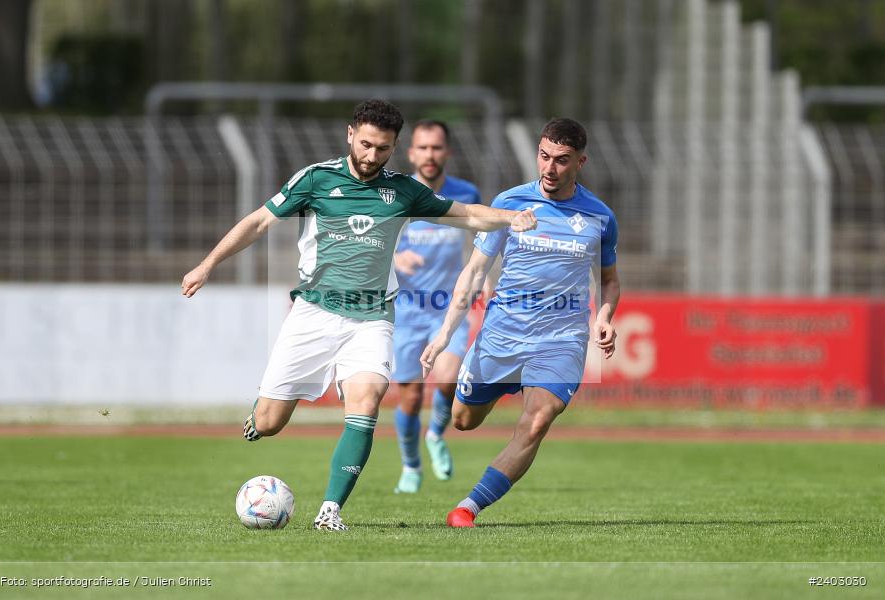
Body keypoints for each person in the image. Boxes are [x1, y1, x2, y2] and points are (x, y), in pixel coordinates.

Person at [181, 100, 536, 532]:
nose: (371, 155)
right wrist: (207, 265)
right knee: (270, 423)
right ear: (350, 134)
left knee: (367, 401)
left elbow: (464, 214)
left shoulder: (403, 191)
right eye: (365, 144)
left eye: (382, 148)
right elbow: (258, 222)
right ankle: (261, 411)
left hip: (372, 318)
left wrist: (511, 218)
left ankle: (330, 511)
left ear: (395, 147)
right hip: (313, 314)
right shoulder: (315, 179)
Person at [419, 117, 621, 528]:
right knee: (463, 420)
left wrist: (604, 316)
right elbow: (475, 271)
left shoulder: (600, 216)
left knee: (537, 421)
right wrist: (444, 336)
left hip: (561, 340)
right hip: (502, 336)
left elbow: (610, 280)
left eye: (561, 160)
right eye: (544, 156)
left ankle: (467, 508)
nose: (550, 168)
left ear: (580, 162)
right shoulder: (510, 203)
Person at [391, 120, 482, 494]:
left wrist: (486, 274)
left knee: (448, 378)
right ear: (412, 153)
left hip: (448, 309)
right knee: (411, 398)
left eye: (437, 147)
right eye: (423, 148)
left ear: (447, 152)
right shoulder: (396, 195)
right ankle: (411, 467)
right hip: (406, 311)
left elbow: (483, 242)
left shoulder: (465, 194)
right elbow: (371, 244)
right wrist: (396, 258)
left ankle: (435, 434)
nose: (430, 154)